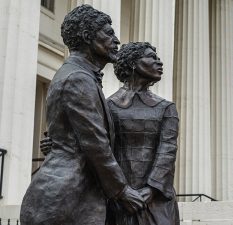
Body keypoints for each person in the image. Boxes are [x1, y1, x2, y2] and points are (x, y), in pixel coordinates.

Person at [20, 5, 144, 225]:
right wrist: (122, 190)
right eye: (108, 33)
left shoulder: (80, 76)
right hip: (64, 199)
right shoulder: (78, 78)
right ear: (88, 36)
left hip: (72, 196)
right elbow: (96, 144)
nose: (116, 40)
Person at [106, 42, 180, 225]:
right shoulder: (108, 107)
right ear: (132, 63)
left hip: (157, 201)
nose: (159, 62)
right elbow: (99, 149)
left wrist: (151, 190)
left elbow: (167, 152)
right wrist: (121, 192)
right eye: (152, 57)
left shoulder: (166, 108)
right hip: (119, 199)